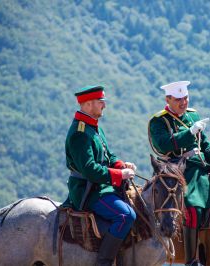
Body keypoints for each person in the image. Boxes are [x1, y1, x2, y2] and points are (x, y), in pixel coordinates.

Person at [148, 81, 210, 266]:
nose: (183, 102)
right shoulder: (159, 121)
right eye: (178, 99)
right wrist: (189, 133)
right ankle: (191, 260)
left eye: (185, 98)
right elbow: (164, 144)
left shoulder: (193, 115)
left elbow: (204, 145)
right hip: (178, 169)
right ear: (168, 99)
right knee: (191, 207)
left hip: (202, 166)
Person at [65, 85, 137, 266]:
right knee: (126, 216)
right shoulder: (80, 133)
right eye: (101, 102)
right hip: (87, 190)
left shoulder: (93, 127)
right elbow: (90, 169)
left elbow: (108, 155)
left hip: (101, 186)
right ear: (88, 104)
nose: (104, 105)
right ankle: (104, 263)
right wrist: (120, 175)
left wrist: (122, 165)